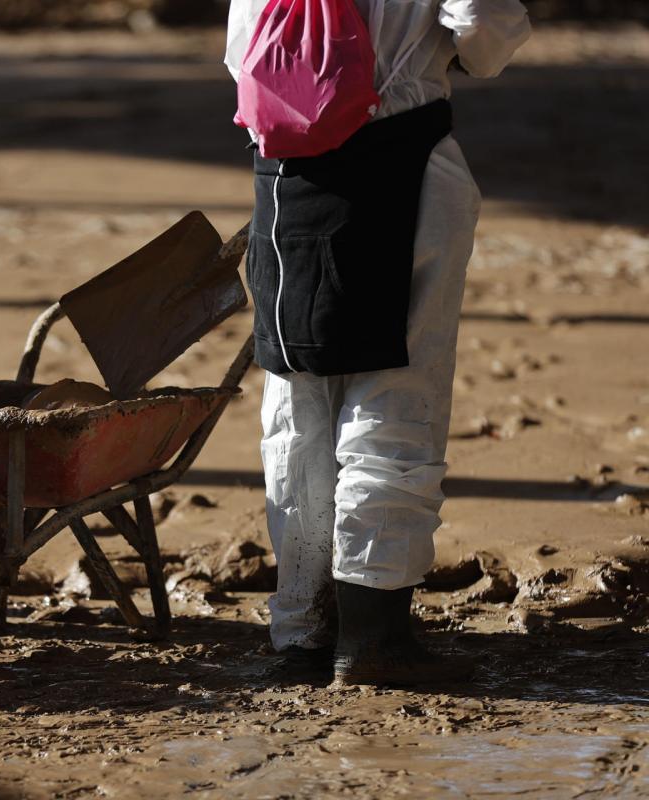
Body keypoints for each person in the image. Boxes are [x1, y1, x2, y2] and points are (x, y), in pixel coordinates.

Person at [225, 0, 530, 684]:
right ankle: (373, 633)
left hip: (284, 180)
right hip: (400, 165)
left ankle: (301, 631)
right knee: (394, 398)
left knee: (295, 405)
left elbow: (244, 55)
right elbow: (486, 37)